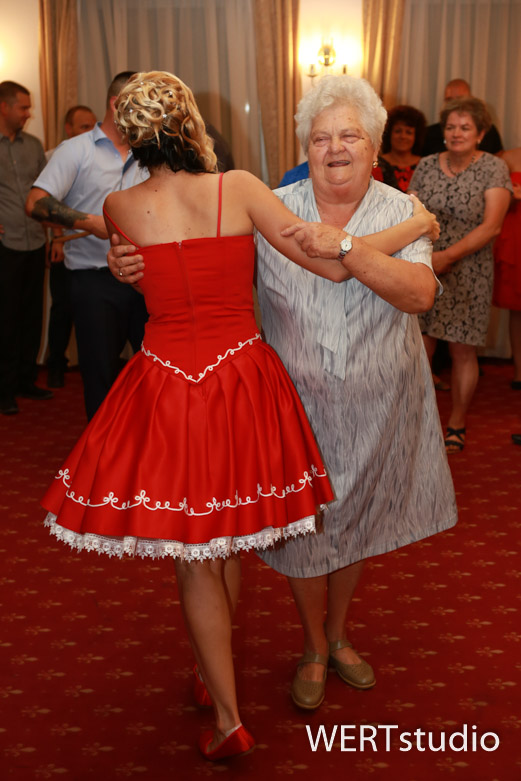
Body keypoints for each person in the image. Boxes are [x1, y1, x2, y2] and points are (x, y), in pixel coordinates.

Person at [110, 74, 457, 715]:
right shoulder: (263, 200)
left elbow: (418, 293)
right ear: (304, 146)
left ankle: (338, 633)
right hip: (287, 398)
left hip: (380, 400)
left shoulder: (400, 208)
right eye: (320, 137)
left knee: (356, 521)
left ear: (374, 144)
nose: (335, 148)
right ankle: (313, 647)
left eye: (349, 135)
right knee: (304, 533)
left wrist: (358, 243)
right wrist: (134, 267)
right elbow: (205, 272)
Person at [25, 72, 149, 420]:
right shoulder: (75, 150)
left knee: (154, 369)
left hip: (145, 276)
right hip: (94, 280)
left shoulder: (149, 150)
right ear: (116, 104)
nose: (147, 113)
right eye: (139, 105)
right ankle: (102, 446)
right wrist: (89, 222)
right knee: (100, 374)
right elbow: (35, 202)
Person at [410, 97, 512, 453]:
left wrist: (447, 257)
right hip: (425, 263)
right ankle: (418, 420)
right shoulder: (426, 165)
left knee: (462, 350)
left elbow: (492, 226)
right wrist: (428, 257)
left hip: (470, 270)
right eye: (451, 127)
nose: (456, 133)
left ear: (480, 134)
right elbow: (411, 213)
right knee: (419, 347)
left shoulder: (493, 168)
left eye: (465, 128)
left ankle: (456, 421)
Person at [0, 80, 53, 416]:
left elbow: (46, 193)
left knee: (32, 314)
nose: (28, 113)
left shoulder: (33, 145)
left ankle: (25, 379)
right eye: (23, 107)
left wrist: (54, 237)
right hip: (4, 244)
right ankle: (4, 388)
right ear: (3, 107)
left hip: (35, 240)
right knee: (5, 317)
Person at [46, 105, 97, 389]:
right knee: (62, 311)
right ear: (68, 129)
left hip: (96, 251)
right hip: (67, 247)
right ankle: (55, 365)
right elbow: (47, 202)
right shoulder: (55, 157)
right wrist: (56, 238)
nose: (90, 131)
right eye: (83, 127)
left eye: (92, 125)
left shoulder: (97, 156)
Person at [493, 147, 521, 390]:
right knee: (517, 308)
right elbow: (494, 202)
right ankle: (520, 371)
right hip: (515, 236)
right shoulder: (507, 157)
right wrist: (511, 196)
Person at [422, 78, 503, 156]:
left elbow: (499, 156)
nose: (454, 104)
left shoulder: (488, 130)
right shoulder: (429, 133)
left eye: (459, 99)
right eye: (449, 100)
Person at [374, 105, 426, 192]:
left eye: (408, 132)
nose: (403, 136)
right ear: (389, 134)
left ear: (416, 136)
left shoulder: (425, 165)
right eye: (398, 131)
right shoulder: (376, 164)